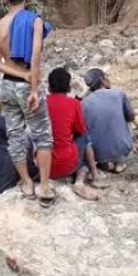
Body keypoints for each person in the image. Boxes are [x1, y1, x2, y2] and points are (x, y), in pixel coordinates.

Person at [0, 0, 55, 207]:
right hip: (28, 84)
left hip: (6, 84)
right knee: (42, 134)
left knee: (14, 135)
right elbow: (35, 54)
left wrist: (16, 74)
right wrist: (33, 85)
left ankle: (27, 183)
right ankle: (44, 187)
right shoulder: (34, 20)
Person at [47, 67, 107, 201]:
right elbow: (80, 130)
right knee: (85, 138)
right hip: (66, 165)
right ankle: (85, 179)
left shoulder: (42, 103)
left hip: (42, 165)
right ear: (68, 87)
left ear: (49, 86)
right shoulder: (73, 104)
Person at [82, 68, 135, 173]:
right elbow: (131, 117)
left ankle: (104, 162)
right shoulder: (118, 94)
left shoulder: (83, 102)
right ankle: (119, 161)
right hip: (123, 149)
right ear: (102, 79)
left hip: (97, 154)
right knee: (126, 119)